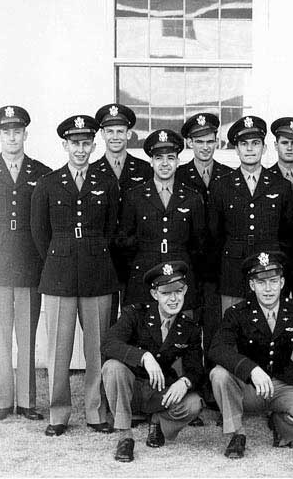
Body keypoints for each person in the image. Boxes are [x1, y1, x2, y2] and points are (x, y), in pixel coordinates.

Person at [30, 114, 120, 436]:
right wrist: (59, 258)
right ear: (64, 145)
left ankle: (96, 411)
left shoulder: (106, 183)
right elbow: (40, 233)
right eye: (74, 143)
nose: (80, 149)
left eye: (86, 143)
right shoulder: (48, 183)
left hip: (97, 274)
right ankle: (58, 414)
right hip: (58, 276)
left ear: (94, 145)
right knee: (58, 350)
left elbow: (111, 228)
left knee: (97, 348)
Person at [0, 105, 50, 421]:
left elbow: (44, 223)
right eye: (7, 132)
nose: (12, 137)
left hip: (30, 263)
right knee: (1, 336)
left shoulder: (40, 172)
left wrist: (46, 264)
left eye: (17, 131)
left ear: (25, 134)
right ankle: (4, 400)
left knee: (27, 336)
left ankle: (28, 401)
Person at [209, 250, 293, 458]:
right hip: (249, 388)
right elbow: (217, 348)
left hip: (283, 383)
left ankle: (280, 426)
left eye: (273, 281)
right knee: (219, 375)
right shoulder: (237, 313)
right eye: (261, 283)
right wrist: (251, 370)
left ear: (282, 283)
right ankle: (237, 434)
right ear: (252, 285)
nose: (268, 289)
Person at [101, 261, 204, 462]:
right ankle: (125, 436)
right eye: (166, 293)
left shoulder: (190, 327)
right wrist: (143, 356)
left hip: (159, 391)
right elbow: (108, 343)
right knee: (112, 367)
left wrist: (185, 382)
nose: (173, 299)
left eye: (178, 291)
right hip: (129, 388)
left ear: (185, 291)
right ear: (155, 294)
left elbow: (196, 369)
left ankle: (158, 422)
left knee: (193, 404)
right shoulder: (135, 314)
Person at [207, 115, 293, 312]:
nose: (249, 149)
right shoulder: (221, 186)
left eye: (255, 143)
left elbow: (288, 235)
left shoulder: (281, 186)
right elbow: (215, 235)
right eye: (243, 144)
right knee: (232, 326)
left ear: (264, 148)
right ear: (236, 149)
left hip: (268, 270)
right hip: (232, 272)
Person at [115, 129, 206, 307]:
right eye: (159, 158)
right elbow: (124, 242)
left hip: (180, 278)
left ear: (178, 161)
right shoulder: (134, 196)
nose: (165, 163)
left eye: (170, 158)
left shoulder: (192, 197)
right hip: (143, 278)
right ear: (151, 161)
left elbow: (199, 245)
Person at [176, 112, 234, 389]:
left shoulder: (228, 176)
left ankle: (213, 389)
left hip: (217, 268)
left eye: (210, 141)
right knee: (186, 330)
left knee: (214, 328)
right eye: (199, 141)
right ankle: (188, 385)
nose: (205, 147)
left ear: (217, 142)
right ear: (189, 143)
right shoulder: (179, 175)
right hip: (187, 266)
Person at [91, 103, 153, 318]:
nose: (115, 136)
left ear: (129, 134)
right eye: (110, 131)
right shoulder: (92, 172)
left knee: (136, 317)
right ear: (102, 134)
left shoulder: (145, 170)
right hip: (104, 257)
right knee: (104, 319)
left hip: (136, 256)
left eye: (120, 131)